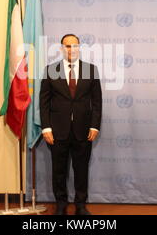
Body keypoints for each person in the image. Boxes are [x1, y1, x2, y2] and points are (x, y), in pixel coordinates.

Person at [40, 34, 102, 215]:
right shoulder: (51, 70)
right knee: (58, 170)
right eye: (67, 46)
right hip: (57, 131)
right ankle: (61, 203)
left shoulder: (91, 70)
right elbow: (43, 103)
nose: (71, 50)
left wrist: (94, 126)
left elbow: (97, 102)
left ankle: (81, 205)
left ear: (79, 47)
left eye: (74, 46)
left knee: (81, 169)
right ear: (61, 49)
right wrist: (46, 127)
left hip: (83, 130)